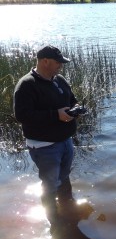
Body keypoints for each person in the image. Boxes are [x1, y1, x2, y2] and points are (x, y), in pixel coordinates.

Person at [14, 45, 82, 225]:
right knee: (50, 184)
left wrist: (76, 109)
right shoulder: (27, 85)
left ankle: (68, 209)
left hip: (65, 141)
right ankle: (54, 221)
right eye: (58, 62)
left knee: (64, 177)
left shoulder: (59, 79)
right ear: (45, 61)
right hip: (44, 146)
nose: (61, 65)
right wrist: (55, 114)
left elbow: (71, 99)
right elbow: (22, 115)